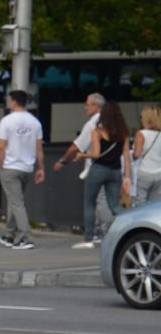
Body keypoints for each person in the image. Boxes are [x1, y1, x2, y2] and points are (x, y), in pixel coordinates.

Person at [72, 100, 132, 248]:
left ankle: (89, 239)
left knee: (90, 203)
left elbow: (96, 154)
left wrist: (82, 156)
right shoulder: (123, 132)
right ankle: (129, 228)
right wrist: (127, 177)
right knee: (114, 205)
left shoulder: (98, 131)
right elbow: (126, 155)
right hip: (116, 171)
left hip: (98, 169)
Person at [0, 89, 45, 250]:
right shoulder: (35, 122)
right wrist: (41, 168)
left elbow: (1, 147)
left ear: (14, 102)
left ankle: (26, 237)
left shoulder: (7, 121)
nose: (8, 102)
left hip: (10, 166)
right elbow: (39, 149)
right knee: (16, 201)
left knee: (16, 203)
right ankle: (10, 233)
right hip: (27, 168)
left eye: (9, 100)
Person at [53, 93, 103, 178]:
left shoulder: (92, 124)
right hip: (114, 168)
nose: (85, 108)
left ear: (96, 106)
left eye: (87, 105)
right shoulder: (112, 122)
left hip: (96, 168)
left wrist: (62, 161)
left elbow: (76, 147)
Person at [132, 104, 161, 206]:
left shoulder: (141, 134)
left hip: (144, 172)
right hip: (158, 173)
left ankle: (140, 222)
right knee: (154, 204)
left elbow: (137, 154)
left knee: (140, 203)